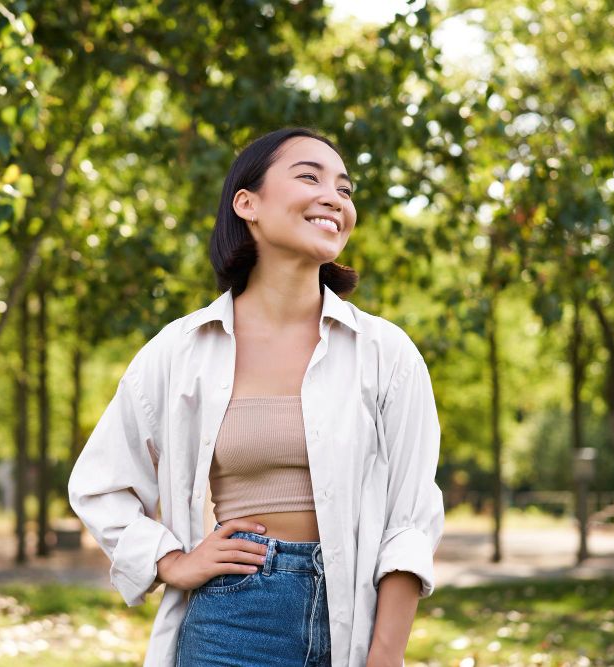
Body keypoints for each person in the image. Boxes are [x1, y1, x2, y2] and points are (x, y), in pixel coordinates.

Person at [68, 127, 445, 667]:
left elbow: (411, 518)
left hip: (357, 617)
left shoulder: (386, 353)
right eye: (309, 177)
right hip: (234, 621)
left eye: (345, 188)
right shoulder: (182, 349)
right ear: (247, 203)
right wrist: (170, 560)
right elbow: (100, 483)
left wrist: (386, 652)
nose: (334, 198)